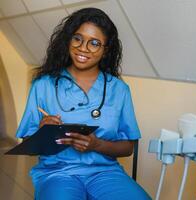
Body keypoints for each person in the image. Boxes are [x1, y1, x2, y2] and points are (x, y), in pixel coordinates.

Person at [16, 7, 151, 200]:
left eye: (94, 43)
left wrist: (97, 145)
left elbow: (128, 147)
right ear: (68, 40)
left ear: (106, 50)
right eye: (78, 38)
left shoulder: (119, 90)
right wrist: (41, 133)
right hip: (58, 173)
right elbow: (27, 145)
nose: (83, 48)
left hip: (105, 173)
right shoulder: (43, 85)